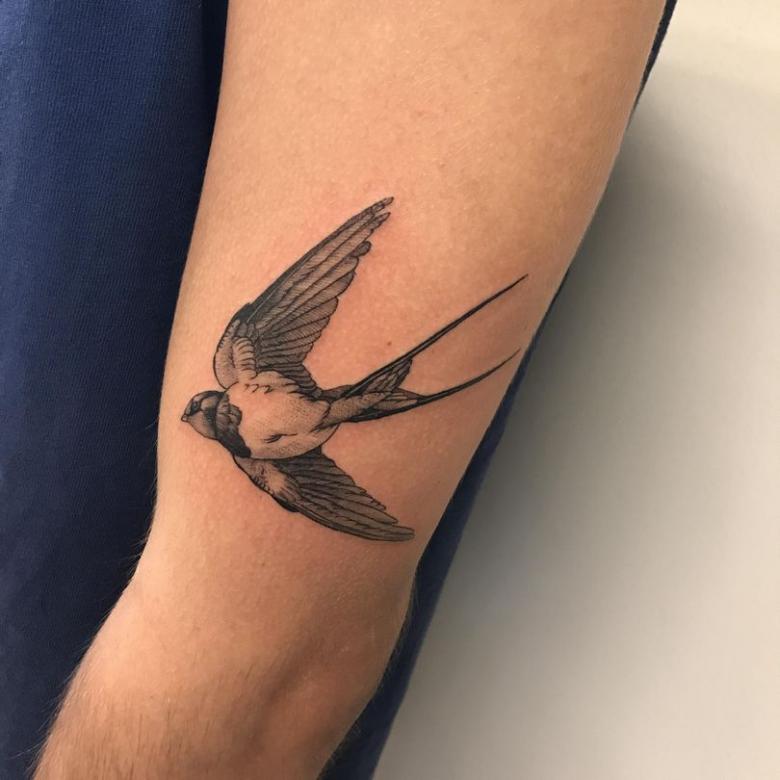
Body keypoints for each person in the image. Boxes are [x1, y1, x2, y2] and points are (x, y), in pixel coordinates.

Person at [0, 1, 676, 777]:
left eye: (208, 410)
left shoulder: (239, 368)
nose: (206, 414)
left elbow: (259, 671)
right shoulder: (254, 457)